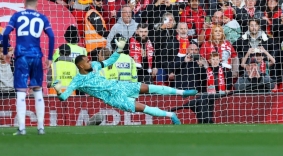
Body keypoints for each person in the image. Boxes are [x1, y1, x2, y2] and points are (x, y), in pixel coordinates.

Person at [53, 37, 198, 125]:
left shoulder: (96, 65)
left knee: (151, 87)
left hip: (120, 85)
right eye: (86, 61)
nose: (90, 62)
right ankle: (171, 115)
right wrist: (59, 90)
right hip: (114, 98)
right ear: (80, 66)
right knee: (143, 108)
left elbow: (110, 60)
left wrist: (119, 49)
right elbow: (64, 97)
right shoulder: (77, 81)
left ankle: (183, 92)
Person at [2, 0, 55, 135]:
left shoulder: (17, 16)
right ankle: (41, 127)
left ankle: (22, 128)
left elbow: (6, 33)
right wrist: (49, 57)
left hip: (21, 57)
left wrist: (6, 51)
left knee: (21, 91)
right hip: (37, 56)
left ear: (24, 3)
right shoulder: (42, 17)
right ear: (37, 3)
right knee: (37, 90)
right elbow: (51, 36)